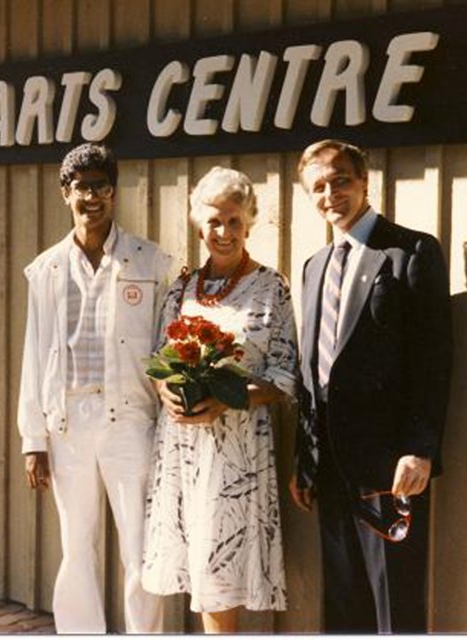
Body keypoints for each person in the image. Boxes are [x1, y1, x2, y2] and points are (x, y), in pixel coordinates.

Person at [289, 139, 451, 632]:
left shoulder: (410, 251)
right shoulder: (315, 266)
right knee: (343, 601)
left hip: (389, 462)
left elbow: (433, 360)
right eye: (318, 186)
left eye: (340, 180)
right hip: (331, 463)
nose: (330, 193)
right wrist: (305, 459)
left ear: (364, 182)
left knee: (393, 601)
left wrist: (419, 449)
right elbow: (310, 369)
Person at [17, 143, 173, 634]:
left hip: (129, 421)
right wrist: (33, 439)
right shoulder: (46, 269)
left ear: (113, 191)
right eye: (82, 187)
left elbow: (169, 348)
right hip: (68, 426)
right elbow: (35, 353)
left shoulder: (150, 262)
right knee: (76, 545)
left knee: (140, 547)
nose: (92, 196)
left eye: (101, 186)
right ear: (66, 193)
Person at [142, 166, 298, 633]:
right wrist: (166, 390)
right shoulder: (183, 288)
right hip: (183, 450)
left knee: (219, 571)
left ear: (249, 222)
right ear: (198, 223)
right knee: (201, 570)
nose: (223, 232)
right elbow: (156, 359)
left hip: (237, 452)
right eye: (214, 221)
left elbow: (285, 375)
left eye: (233, 220)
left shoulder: (272, 288)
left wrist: (230, 399)